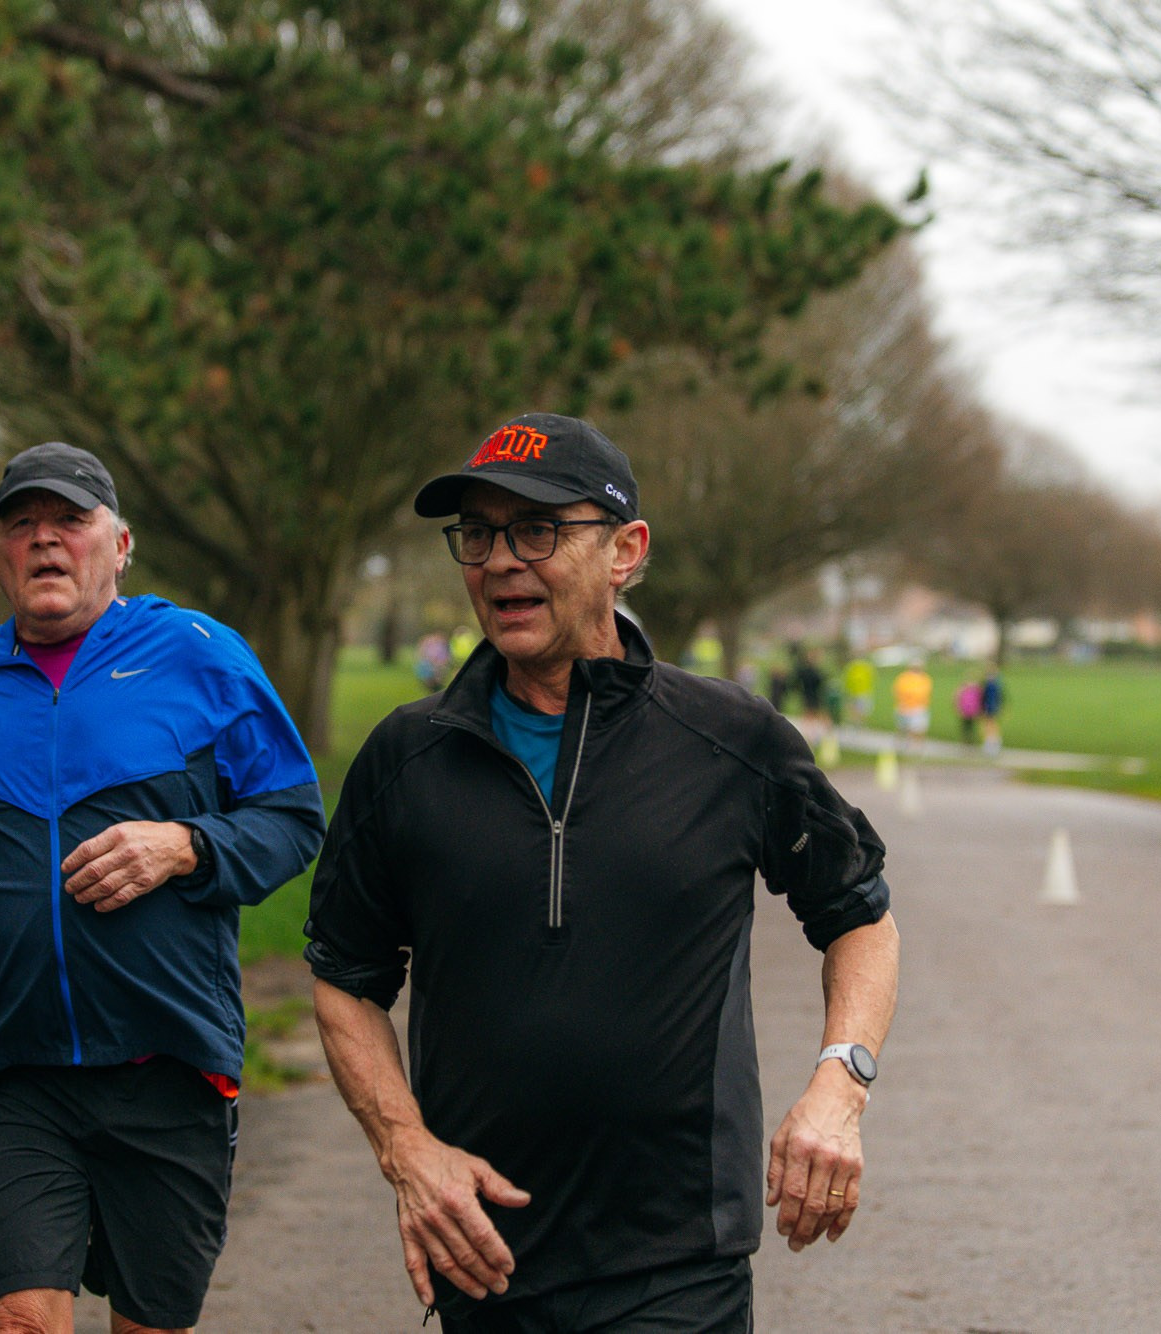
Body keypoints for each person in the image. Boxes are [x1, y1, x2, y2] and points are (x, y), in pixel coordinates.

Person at [304, 413, 899, 1332]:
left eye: (537, 530)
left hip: (677, 1260)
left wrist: (839, 1081)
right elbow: (345, 979)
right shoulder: (404, 760)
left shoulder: (729, 740)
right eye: (479, 533)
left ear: (625, 551)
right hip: (484, 1257)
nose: (500, 560)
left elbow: (860, 913)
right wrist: (406, 1150)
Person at [0, 442, 327, 1334]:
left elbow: (293, 817)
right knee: (20, 1320)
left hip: (168, 1064)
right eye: (21, 524)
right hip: (17, 1071)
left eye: (69, 521)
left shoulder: (201, 656)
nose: (45, 541)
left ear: (119, 544)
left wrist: (188, 845)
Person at [892, 657, 933, 754]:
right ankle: (901, 747)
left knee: (918, 729)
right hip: (905, 707)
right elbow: (898, 691)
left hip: (919, 707)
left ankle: (917, 748)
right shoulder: (904, 678)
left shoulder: (924, 678)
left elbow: (925, 692)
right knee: (903, 728)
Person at [979, 663, 1006, 758]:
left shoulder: (990, 685)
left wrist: (985, 708)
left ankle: (991, 743)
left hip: (990, 708)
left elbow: (986, 698)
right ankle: (993, 743)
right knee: (991, 724)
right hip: (994, 707)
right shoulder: (997, 684)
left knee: (989, 725)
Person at [843, 655, 876, 725]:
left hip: (862, 692)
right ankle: (858, 722)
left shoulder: (863, 668)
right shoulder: (853, 668)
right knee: (857, 709)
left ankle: (859, 722)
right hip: (857, 693)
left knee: (861, 710)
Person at [955, 676, 983, 746]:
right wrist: (959, 709)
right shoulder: (963, 689)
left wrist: (979, 710)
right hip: (965, 711)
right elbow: (957, 698)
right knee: (965, 727)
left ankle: (971, 741)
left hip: (973, 712)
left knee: (971, 726)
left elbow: (980, 700)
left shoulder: (976, 690)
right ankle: (965, 740)